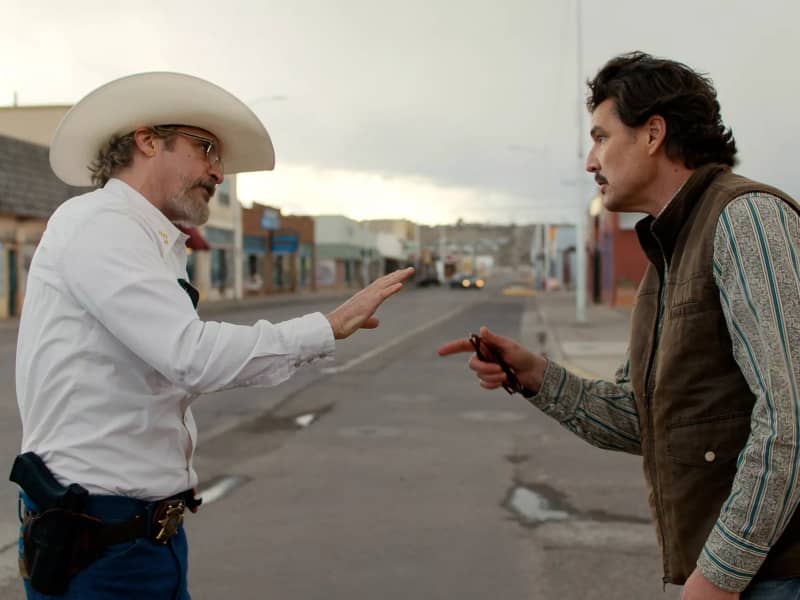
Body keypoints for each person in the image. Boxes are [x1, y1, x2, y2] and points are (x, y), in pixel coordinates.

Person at [12, 71, 414, 599]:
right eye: (206, 149)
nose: (218, 172)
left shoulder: (148, 240)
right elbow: (190, 356)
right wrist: (326, 327)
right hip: (101, 544)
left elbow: (168, 372)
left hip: (137, 537)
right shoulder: (101, 224)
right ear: (147, 140)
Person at [438, 51, 800, 600]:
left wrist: (719, 578)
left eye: (601, 137)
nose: (590, 161)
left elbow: (791, 418)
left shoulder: (745, 218)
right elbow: (640, 421)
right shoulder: (667, 256)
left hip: (774, 579)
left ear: (653, 133)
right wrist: (536, 375)